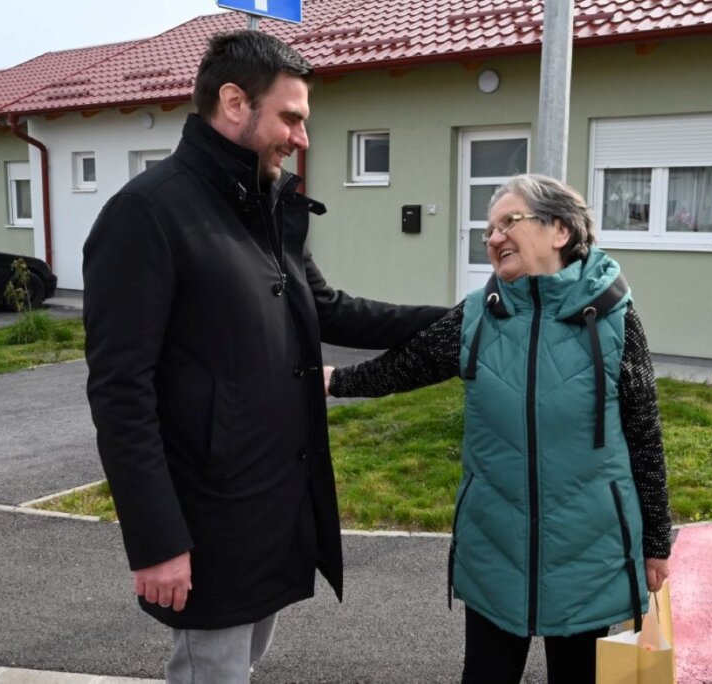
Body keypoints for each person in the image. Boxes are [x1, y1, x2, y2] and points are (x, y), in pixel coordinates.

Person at [83, 30, 447, 684]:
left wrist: (458, 319)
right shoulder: (147, 214)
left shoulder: (268, 209)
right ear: (233, 103)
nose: (301, 138)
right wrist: (158, 540)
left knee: (242, 668)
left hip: (271, 508)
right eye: (292, 118)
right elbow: (119, 391)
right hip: (206, 517)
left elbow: (330, 309)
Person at [325, 174, 672, 684]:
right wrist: (336, 382)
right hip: (495, 545)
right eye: (489, 230)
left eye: (509, 222)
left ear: (559, 231)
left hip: (590, 551)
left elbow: (644, 432)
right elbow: (407, 366)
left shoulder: (615, 317)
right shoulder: (477, 317)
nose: (493, 238)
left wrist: (656, 541)